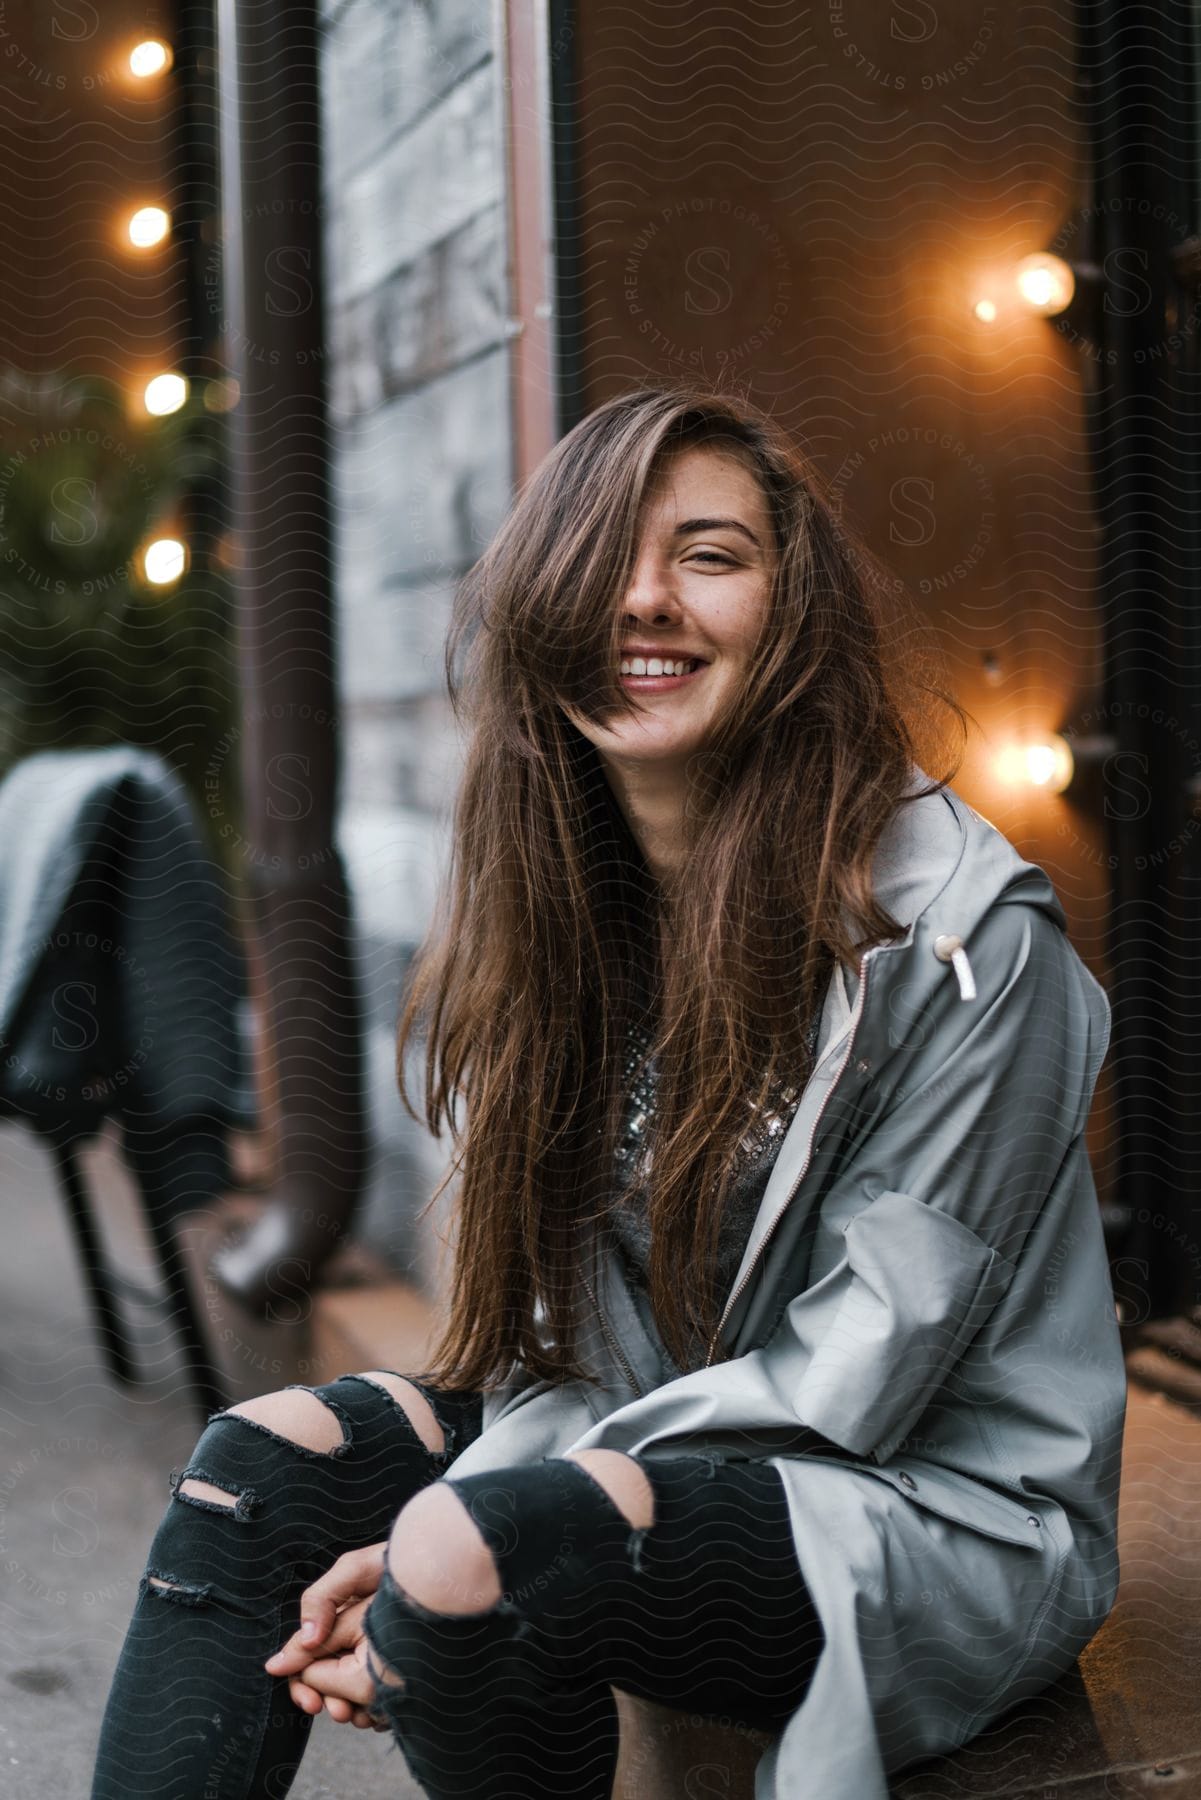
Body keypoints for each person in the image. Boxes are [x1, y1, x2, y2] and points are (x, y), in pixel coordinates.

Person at [91, 384, 1126, 1800]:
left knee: (468, 1557)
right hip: (665, 1430)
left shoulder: (959, 937)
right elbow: (559, 1349)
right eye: (602, 560)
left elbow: (858, 1377)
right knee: (257, 1464)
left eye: (708, 555)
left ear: (794, 608)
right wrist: (462, 1512)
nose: (643, 602)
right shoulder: (567, 907)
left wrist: (434, 1552)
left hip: (924, 1507)